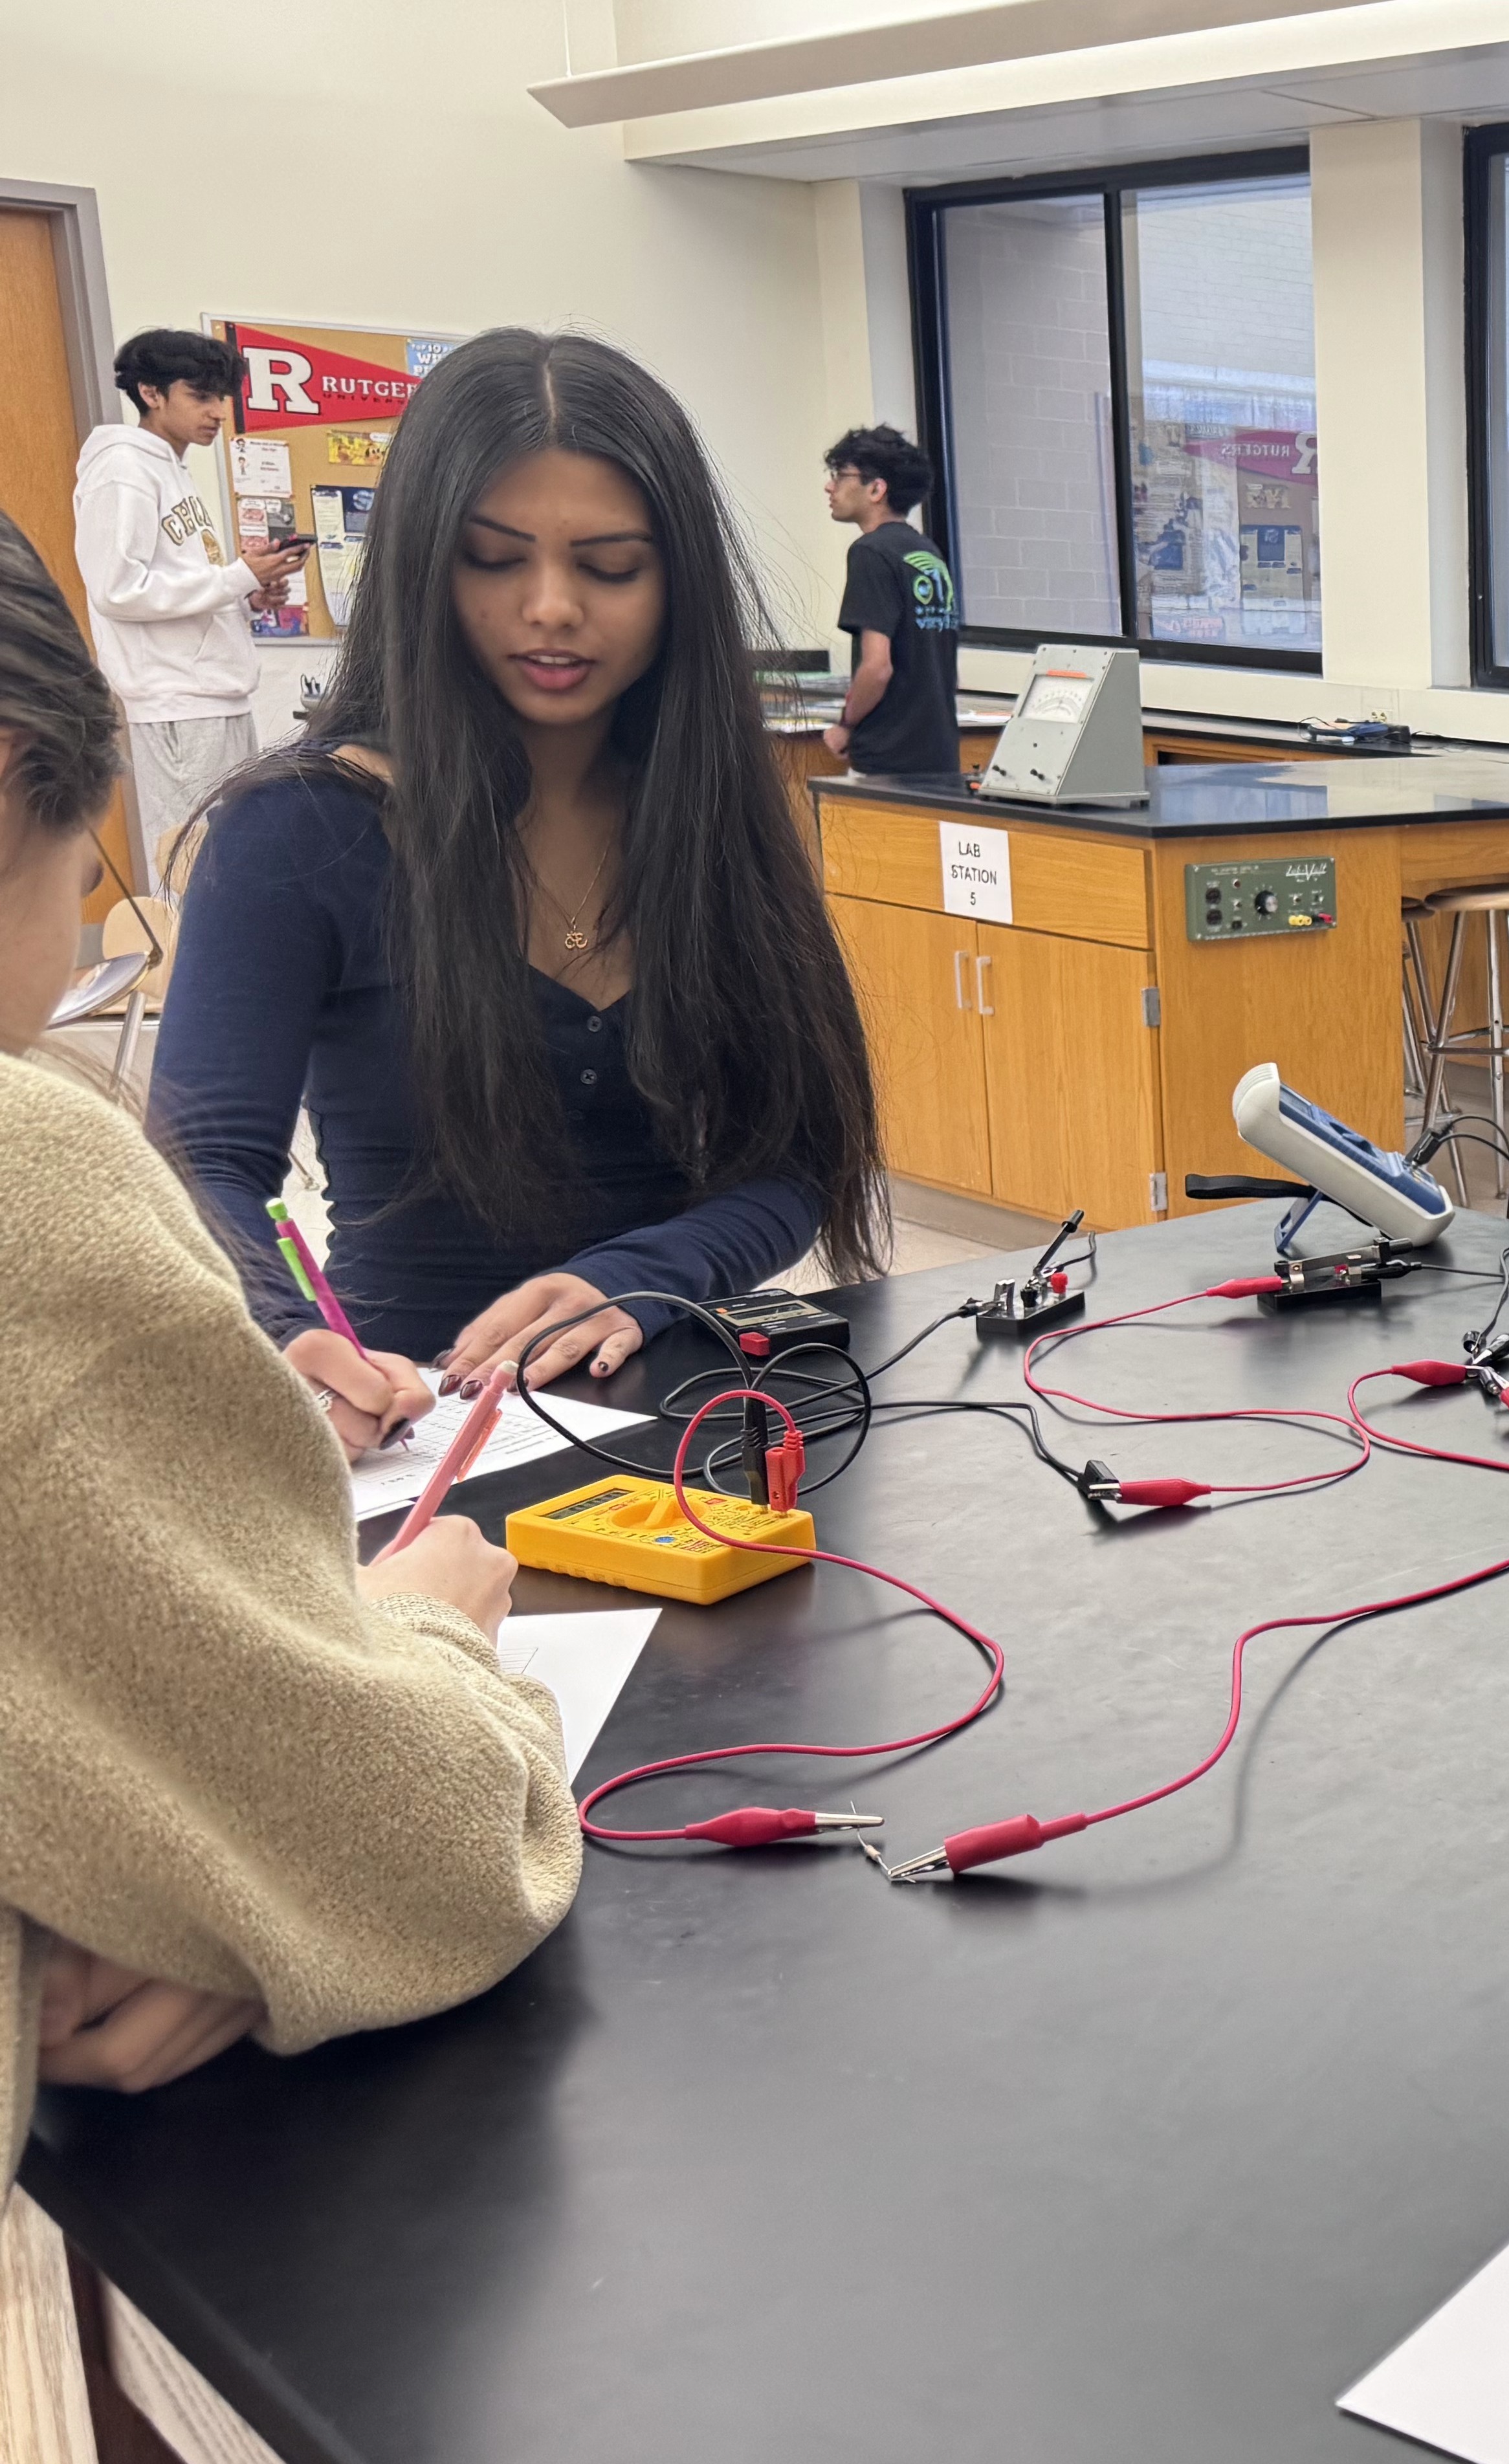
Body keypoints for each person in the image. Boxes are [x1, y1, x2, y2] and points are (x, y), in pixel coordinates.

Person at [0, 503, 578, 2170]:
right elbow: (413, 1852)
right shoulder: (39, 1167)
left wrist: (163, 1895)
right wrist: (426, 1634)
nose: (552, 615)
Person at [149, 330, 887, 1454]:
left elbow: (793, 1159)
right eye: (495, 560)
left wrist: (647, 1273)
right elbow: (202, 1167)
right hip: (412, 1423)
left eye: (609, 566)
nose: (550, 608)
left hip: (690, 1418)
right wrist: (288, 1333)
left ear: (674, 581)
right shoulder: (299, 831)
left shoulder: (708, 816)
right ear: (422, 569)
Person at [72, 329, 310, 894]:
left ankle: (222, 974)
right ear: (152, 393)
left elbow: (179, 582)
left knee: (229, 856)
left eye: (222, 397)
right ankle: (187, 980)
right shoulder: (123, 469)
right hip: (176, 699)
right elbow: (116, 589)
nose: (218, 412)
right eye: (200, 396)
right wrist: (236, 576)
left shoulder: (170, 468)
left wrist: (246, 592)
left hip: (215, 692)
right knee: (189, 864)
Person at [821, 424, 962, 778]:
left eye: (840, 476)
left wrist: (845, 725)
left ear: (876, 488)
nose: (830, 486)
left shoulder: (870, 553)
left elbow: (877, 667)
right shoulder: (927, 553)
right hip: (939, 756)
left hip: (887, 760)